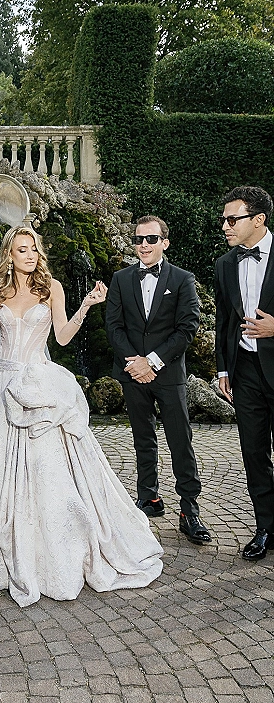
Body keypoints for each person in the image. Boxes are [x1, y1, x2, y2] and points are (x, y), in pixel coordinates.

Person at [0, 226, 163, 608]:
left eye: (33, 249)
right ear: (9, 256)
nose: (30, 256)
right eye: (21, 250)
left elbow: (61, 337)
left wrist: (86, 306)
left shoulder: (53, 288)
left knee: (50, 471)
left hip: (37, 384)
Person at [105, 215, 211, 545]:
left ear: (164, 242)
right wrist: (134, 363)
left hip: (167, 374)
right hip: (132, 374)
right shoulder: (120, 279)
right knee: (142, 439)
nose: (144, 245)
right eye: (138, 240)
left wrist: (151, 361)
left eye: (151, 239)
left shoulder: (182, 279)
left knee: (180, 441)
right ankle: (149, 499)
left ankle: (189, 510)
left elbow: (187, 327)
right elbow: (114, 327)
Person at [215, 185, 274, 560]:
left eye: (232, 219)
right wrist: (223, 368)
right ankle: (265, 529)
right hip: (246, 372)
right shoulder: (224, 264)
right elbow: (223, 321)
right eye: (224, 219)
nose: (225, 226)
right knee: (254, 454)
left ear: (258, 220)